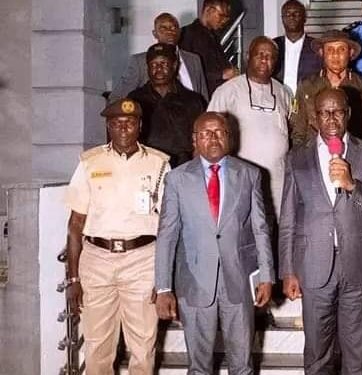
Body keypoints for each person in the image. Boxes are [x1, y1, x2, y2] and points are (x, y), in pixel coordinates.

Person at [279, 88, 362, 375]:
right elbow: (289, 217)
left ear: (349, 114)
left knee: (356, 355)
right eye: (324, 112)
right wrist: (288, 270)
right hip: (313, 266)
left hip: (358, 265)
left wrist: (353, 185)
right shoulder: (297, 157)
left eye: (338, 111)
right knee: (317, 354)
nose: (331, 118)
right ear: (314, 117)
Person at [154, 112, 274, 375]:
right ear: (194, 139)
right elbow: (167, 234)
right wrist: (163, 287)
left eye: (220, 132)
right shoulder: (177, 179)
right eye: (206, 133)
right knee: (199, 366)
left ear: (229, 137)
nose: (213, 138)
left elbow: (260, 228)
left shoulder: (250, 174)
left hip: (239, 281)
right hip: (194, 282)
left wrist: (266, 276)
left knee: (242, 365)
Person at [64, 98, 170, 375]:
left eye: (130, 122)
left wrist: (165, 280)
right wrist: (73, 278)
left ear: (140, 126)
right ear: (108, 127)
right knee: (98, 348)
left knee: (143, 347)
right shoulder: (89, 163)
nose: (124, 128)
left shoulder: (159, 164)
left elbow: (168, 227)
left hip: (143, 260)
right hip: (97, 260)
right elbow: (75, 224)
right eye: (117, 123)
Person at [208, 36, 292, 219]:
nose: (264, 60)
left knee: (274, 233)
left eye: (270, 56)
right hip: (239, 180)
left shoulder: (283, 92)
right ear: (248, 56)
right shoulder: (227, 91)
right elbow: (207, 138)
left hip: (278, 181)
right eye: (259, 54)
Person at [290, 30, 362, 148]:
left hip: (353, 155)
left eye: (342, 49)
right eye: (330, 50)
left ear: (350, 53)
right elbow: (297, 130)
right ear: (322, 53)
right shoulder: (307, 85)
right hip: (314, 155)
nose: (335, 55)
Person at [128, 43, 207, 168]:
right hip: (146, 167)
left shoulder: (193, 100)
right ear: (147, 68)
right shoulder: (134, 99)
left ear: (174, 66)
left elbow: (201, 137)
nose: (158, 69)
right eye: (153, 64)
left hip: (183, 168)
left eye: (164, 64)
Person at [110, 12, 209, 102]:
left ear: (180, 32)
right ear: (155, 33)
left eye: (174, 27)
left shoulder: (193, 60)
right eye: (163, 28)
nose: (170, 31)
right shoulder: (140, 62)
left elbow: (204, 98)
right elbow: (117, 97)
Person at [179, 0, 239, 96]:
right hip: (200, 98)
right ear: (208, 10)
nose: (225, 21)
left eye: (227, 17)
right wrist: (221, 74)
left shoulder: (213, 36)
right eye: (222, 15)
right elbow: (186, 71)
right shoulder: (188, 34)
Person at [272, 0, 323, 95]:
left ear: (305, 18)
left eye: (296, 14)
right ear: (282, 19)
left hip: (307, 103)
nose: (291, 17)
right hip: (277, 100)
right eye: (287, 14)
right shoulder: (273, 45)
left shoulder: (316, 46)